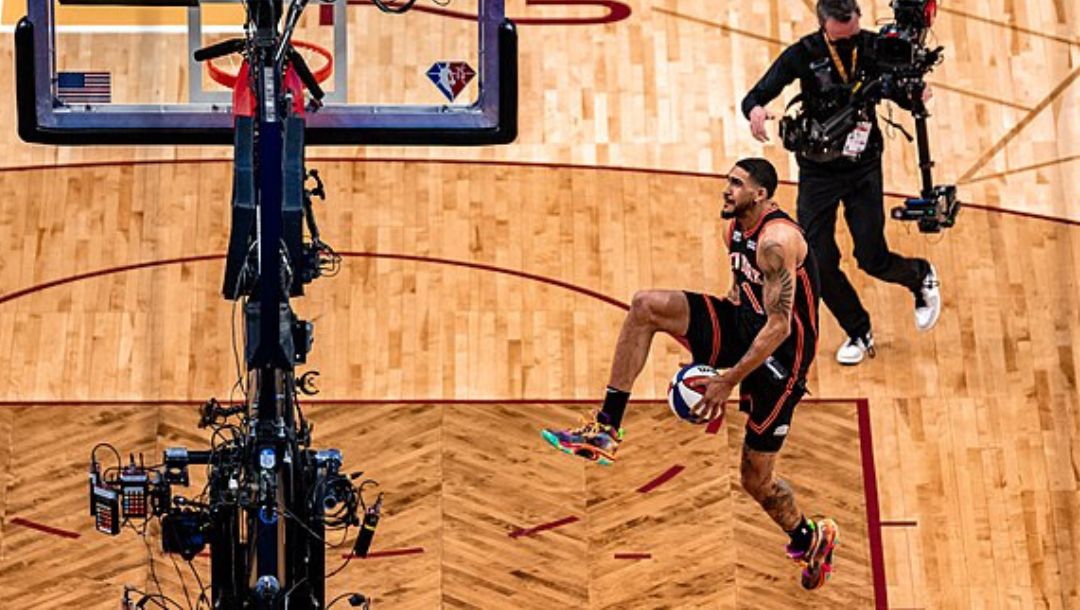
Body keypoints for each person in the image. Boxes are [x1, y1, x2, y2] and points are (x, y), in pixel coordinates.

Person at [541, 158, 838, 590]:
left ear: (760, 195)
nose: (726, 189)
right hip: (743, 323)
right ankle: (605, 428)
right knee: (645, 306)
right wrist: (710, 340)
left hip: (782, 361)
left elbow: (779, 327)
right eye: (727, 181)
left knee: (755, 479)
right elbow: (740, 288)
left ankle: (811, 538)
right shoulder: (734, 229)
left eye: (736, 184)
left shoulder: (776, 242)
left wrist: (727, 379)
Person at [741, 0, 941, 365]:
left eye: (854, 32)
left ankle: (920, 276)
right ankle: (858, 329)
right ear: (825, 26)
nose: (851, 41)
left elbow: (896, 89)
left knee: (871, 257)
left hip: (863, 168)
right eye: (842, 37)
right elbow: (755, 96)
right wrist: (755, 111)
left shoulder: (872, 46)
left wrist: (915, 94)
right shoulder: (803, 54)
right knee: (816, 261)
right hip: (818, 172)